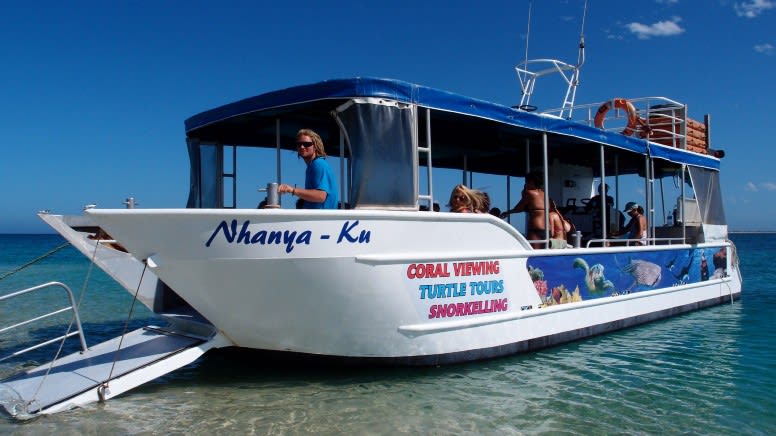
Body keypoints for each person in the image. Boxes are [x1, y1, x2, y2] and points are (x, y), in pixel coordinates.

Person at [278, 129, 339, 209]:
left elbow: (321, 196)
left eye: (307, 144)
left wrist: (292, 190)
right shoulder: (312, 166)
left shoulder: (318, 164)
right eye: (299, 144)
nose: (302, 147)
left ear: (315, 146)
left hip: (319, 219)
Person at [500, 172, 546, 247]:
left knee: (533, 255)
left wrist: (507, 212)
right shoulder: (543, 193)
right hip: (547, 228)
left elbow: (519, 208)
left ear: (531, 182)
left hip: (535, 227)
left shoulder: (530, 193)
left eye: (526, 182)